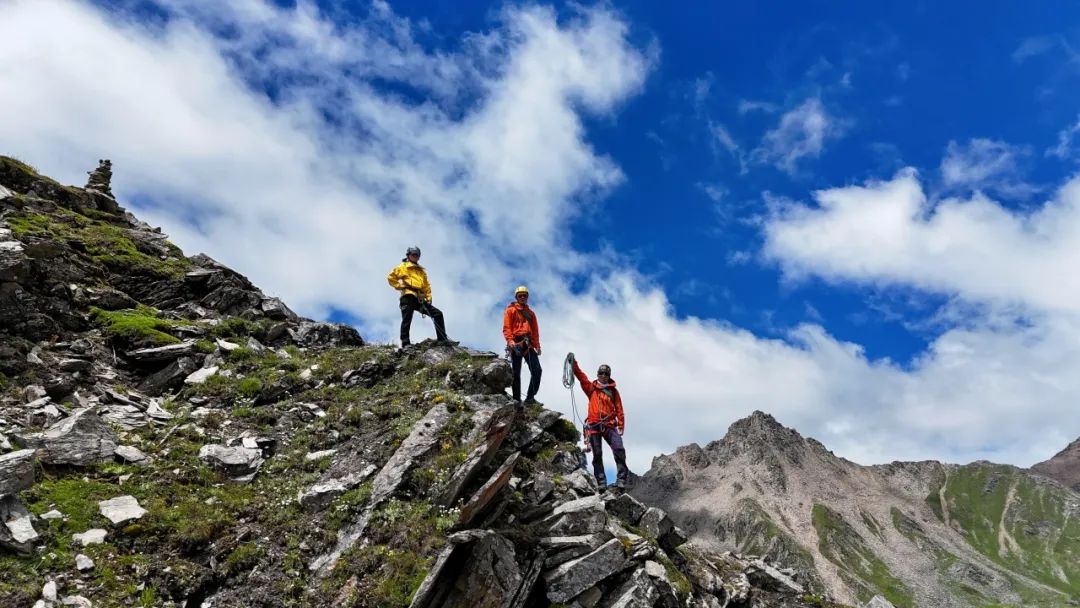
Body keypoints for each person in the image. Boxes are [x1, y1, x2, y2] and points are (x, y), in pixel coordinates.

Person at [569, 353, 629, 490]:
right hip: (594, 425)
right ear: (597, 374)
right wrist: (573, 363)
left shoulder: (613, 392)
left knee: (619, 449)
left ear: (609, 375)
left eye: (606, 374)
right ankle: (601, 483)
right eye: (601, 373)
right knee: (597, 454)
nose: (603, 375)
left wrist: (621, 424)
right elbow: (581, 377)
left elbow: (619, 408)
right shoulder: (591, 388)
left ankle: (621, 480)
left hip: (609, 425)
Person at [386, 246, 450, 347]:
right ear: (408, 255)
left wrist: (428, 297)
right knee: (407, 318)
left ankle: (442, 339)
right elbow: (391, 277)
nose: (415, 256)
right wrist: (400, 286)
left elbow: (426, 286)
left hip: (419, 298)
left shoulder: (421, 271)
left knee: (438, 314)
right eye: (413, 254)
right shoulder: (402, 267)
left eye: (417, 255)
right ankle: (406, 343)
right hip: (408, 295)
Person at [503, 285, 542, 405]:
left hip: (528, 344)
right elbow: (507, 327)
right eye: (520, 296)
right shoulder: (510, 310)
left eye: (525, 295)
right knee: (516, 372)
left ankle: (530, 398)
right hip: (516, 343)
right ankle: (516, 399)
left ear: (527, 297)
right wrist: (510, 341)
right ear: (516, 297)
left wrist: (537, 346)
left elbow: (535, 331)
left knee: (537, 370)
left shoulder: (531, 314)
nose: (523, 297)